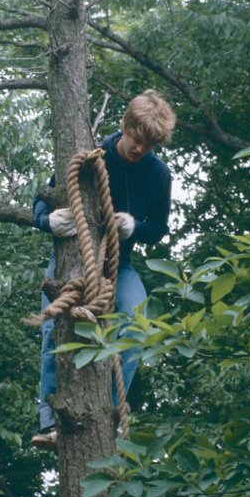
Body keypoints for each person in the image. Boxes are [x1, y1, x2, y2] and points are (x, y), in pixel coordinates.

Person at [30, 90, 175, 450]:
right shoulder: (92, 155)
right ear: (126, 125)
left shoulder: (158, 174)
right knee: (55, 327)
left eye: (149, 144)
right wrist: (48, 221)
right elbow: (41, 198)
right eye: (136, 139)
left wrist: (134, 227)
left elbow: (158, 227)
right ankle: (49, 422)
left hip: (119, 266)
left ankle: (106, 414)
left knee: (137, 326)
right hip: (74, 257)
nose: (139, 148)